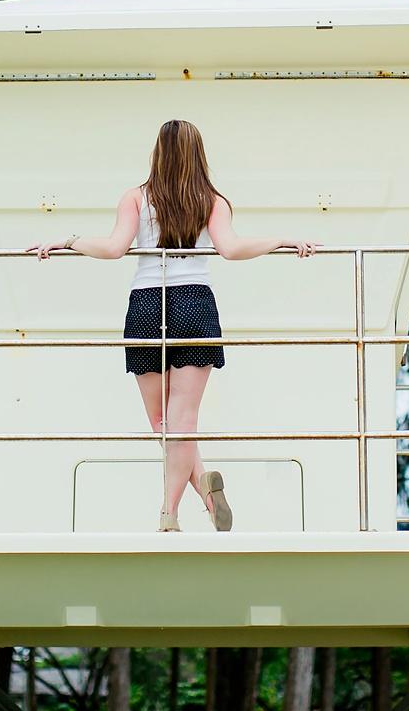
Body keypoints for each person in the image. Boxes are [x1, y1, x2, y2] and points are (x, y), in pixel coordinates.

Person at [30, 120, 317, 532]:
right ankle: (179, 505)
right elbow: (231, 249)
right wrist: (282, 240)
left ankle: (188, 498)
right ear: (198, 155)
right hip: (195, 305)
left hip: (147, 305)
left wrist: (68, 240)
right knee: (183, 420)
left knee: (163, 423)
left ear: (158, 153)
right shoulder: (213, 200)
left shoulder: (135, 198)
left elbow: (114, 249)